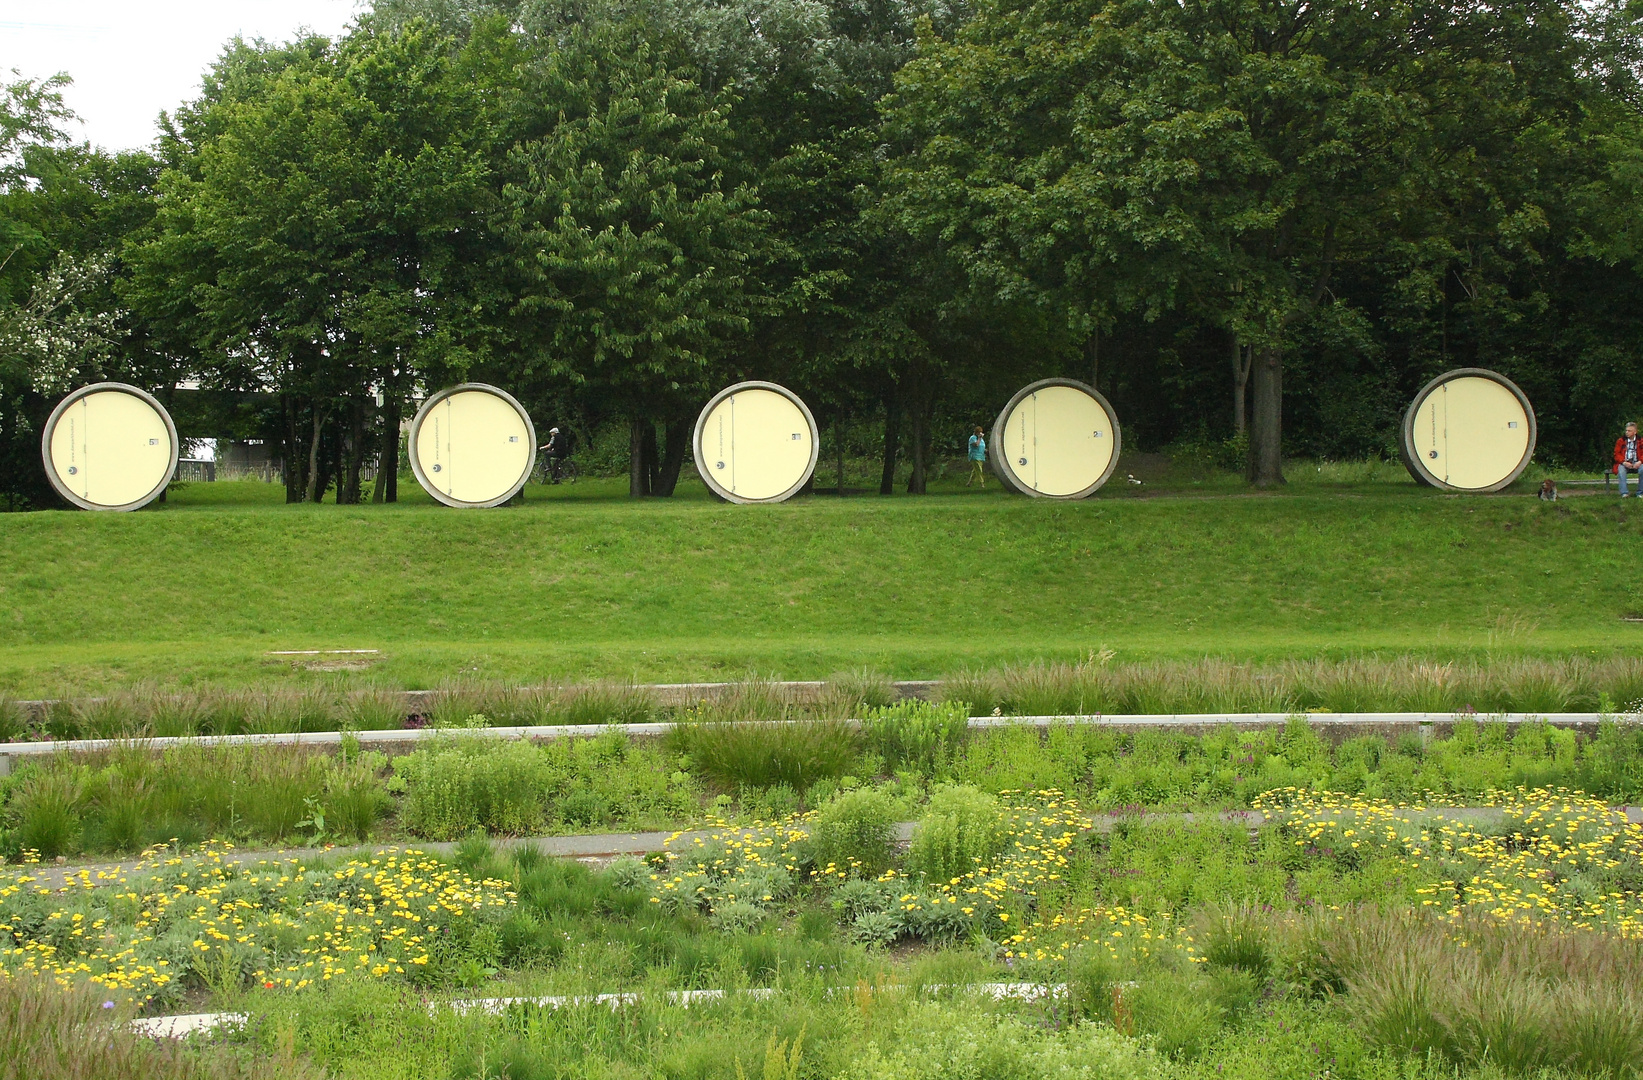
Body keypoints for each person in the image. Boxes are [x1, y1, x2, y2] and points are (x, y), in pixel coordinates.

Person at [1617, 422, 1643, 497]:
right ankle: (1624, 493)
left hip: (1638, 462)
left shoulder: (1641, 441)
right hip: (1624, 462)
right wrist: (1623, 462)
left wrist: (1640, 461)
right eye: (1626, 430)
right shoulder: (1621, 441)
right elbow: (1617, 454)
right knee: (1621, 470)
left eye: (1629, 431)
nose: (1627, 432)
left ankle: (1640, 492)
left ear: (1635, 432)